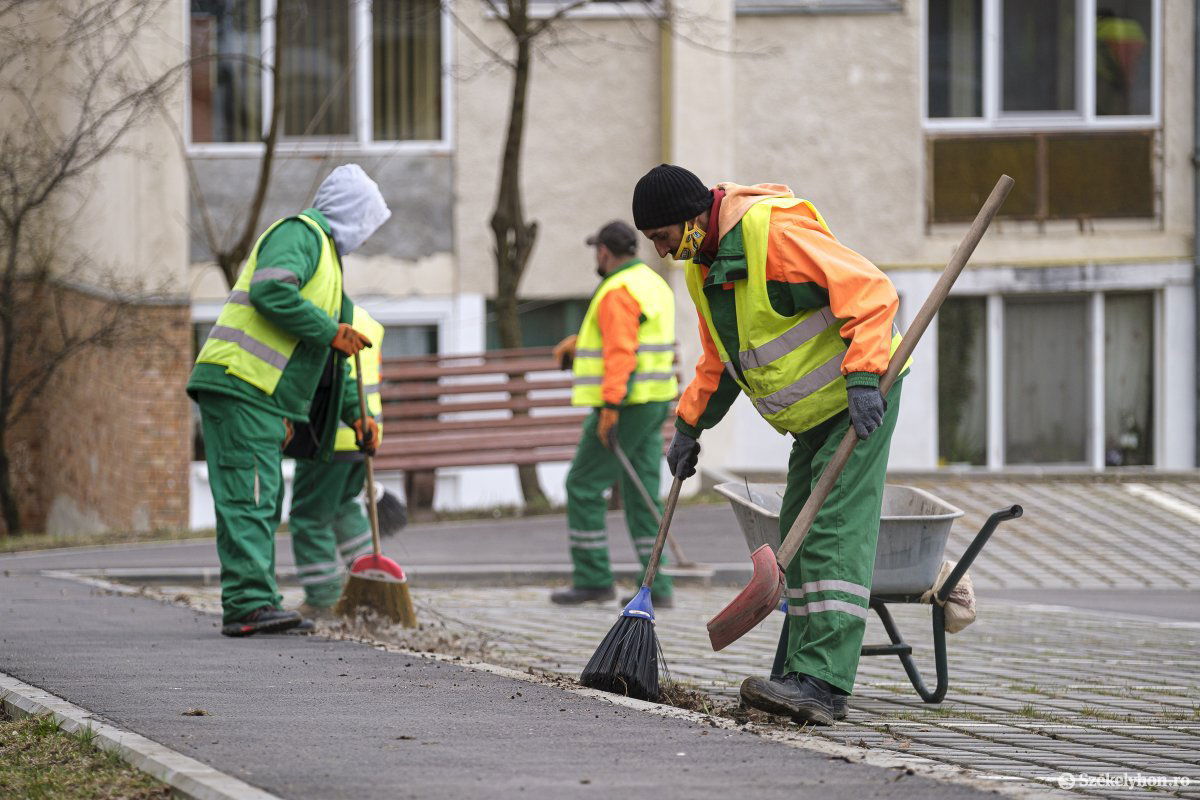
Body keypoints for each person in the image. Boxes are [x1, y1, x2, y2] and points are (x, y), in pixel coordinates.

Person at [631, 164, 907, 725]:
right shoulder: (704, 271)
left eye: (662, 237)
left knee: (832, 530)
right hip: (813, 419)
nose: (662, 251)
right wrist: (689, 425)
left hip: (859, 399)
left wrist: (863, 377)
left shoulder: (772, 233)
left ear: (690, 217)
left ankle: (822, 681)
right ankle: (801, 672)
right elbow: (721, 360)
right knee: (795, 537)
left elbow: (870, 291)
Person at [188, 164, 389, 637]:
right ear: (350, 213)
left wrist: (358, 417)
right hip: (241, 385)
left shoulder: (330, 270)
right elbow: (270, 290)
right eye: (366, 220)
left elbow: (334, 365)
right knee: (250, 497)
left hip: (260, 395)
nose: (367, 234)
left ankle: (257, 601)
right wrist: (329, 330)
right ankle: (248, 605)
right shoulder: (301, 234)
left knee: (262, 498)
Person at [549, 221, 678, 607]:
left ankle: (593, 579)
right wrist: (582, 344)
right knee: (642, 494)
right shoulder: (652, 283)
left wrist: (609, 408)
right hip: (655, 401)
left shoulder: (617, 289)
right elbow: (638, 339)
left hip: (625, 405)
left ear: (604, 251)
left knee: (583, 485)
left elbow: (623, 353)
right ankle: (656, 584)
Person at [287, 303, 384, 620]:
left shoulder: (321, 315)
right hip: (364, 433)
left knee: (309, 516)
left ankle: (323, 598)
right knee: (344, 507)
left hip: (327, 434)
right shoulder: (367, 320)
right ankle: (371, 585)